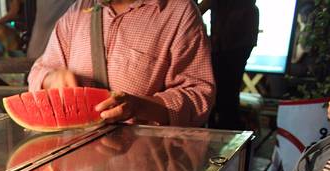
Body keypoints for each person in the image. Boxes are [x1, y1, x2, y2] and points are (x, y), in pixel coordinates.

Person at [28, 0, 215, 128]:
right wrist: (50, 79)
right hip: (78, 162)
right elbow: (39, 71)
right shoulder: (79, 10)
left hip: (143, 161)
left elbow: (198, 96)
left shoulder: (179, 12)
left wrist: (141, 107)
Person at [199, 0, 259, 130]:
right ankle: (228, 128)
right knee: (229, 89)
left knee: (223, 91)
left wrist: (186, 14)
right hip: (240, 34)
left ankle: (223, 130)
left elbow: (204, 5)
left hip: (230, 35)